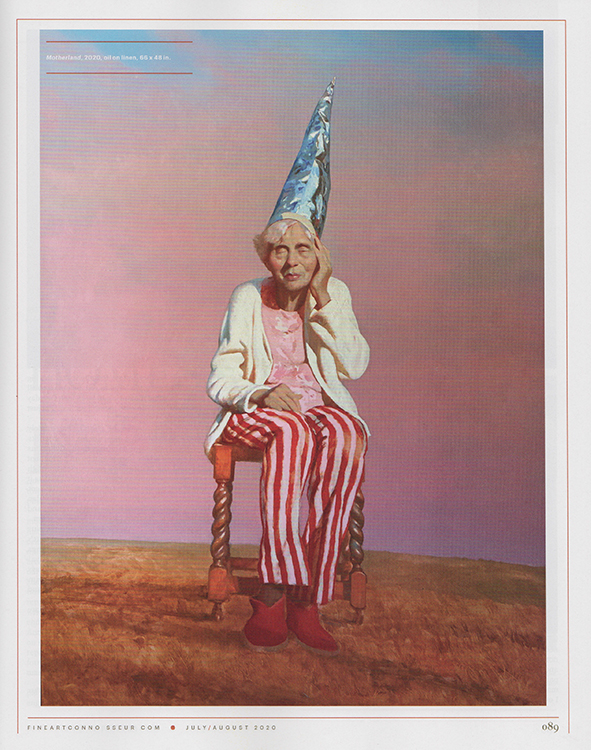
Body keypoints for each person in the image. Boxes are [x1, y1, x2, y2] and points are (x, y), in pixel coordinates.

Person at [204, 81, 370, 655]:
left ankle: (308, 598)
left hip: (316, 410)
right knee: (294, 432)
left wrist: (324, 299)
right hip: (258, 411)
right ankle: (272, 594)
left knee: (347, 435)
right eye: (281, 250)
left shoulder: (333, 294)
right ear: (267, 256)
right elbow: (220, 379)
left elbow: (355, 365)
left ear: (318, 255)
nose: (292, 261)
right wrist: (259, 393)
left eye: (303, 250)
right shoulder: (248, 297)